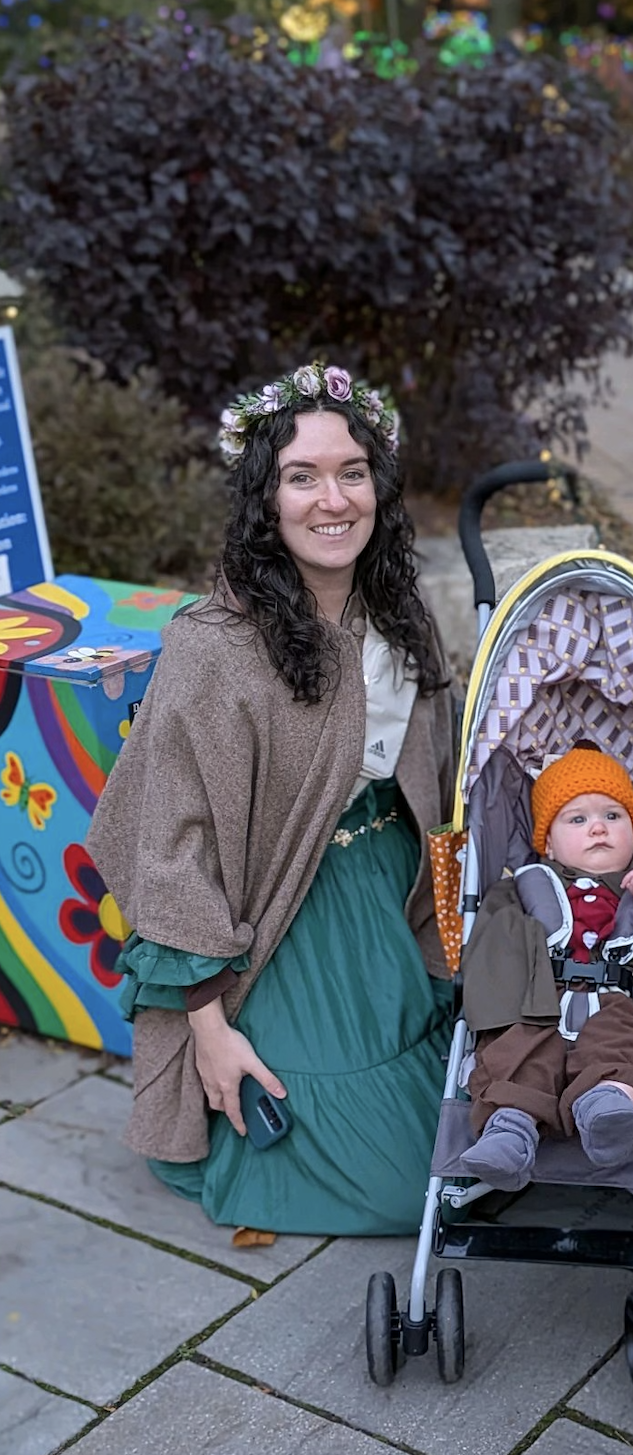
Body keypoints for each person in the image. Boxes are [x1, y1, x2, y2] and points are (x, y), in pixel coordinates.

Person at [87, 362, 458, 1237]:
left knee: (469, 1137)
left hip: (389, 888)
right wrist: (207, 1025)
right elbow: (169, 848)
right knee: (403, 1189)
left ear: (379, 485)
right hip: (278, 913)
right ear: (266, 497)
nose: (332, 500)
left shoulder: (402, 612)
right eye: (302, 477)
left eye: (352, 473)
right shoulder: (212, 647)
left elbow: (435, 778)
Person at [459, 744, 633, 1180]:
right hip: (538, 1000)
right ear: (548, 842)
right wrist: (507, 1006)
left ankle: (608, 1106)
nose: (598, 828)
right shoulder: (523, 888)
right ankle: (510, 1131)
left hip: (621, 998)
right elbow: (491, 949)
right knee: (519, 1050)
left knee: (624, 1045)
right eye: (578, 819)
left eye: (613, 816)